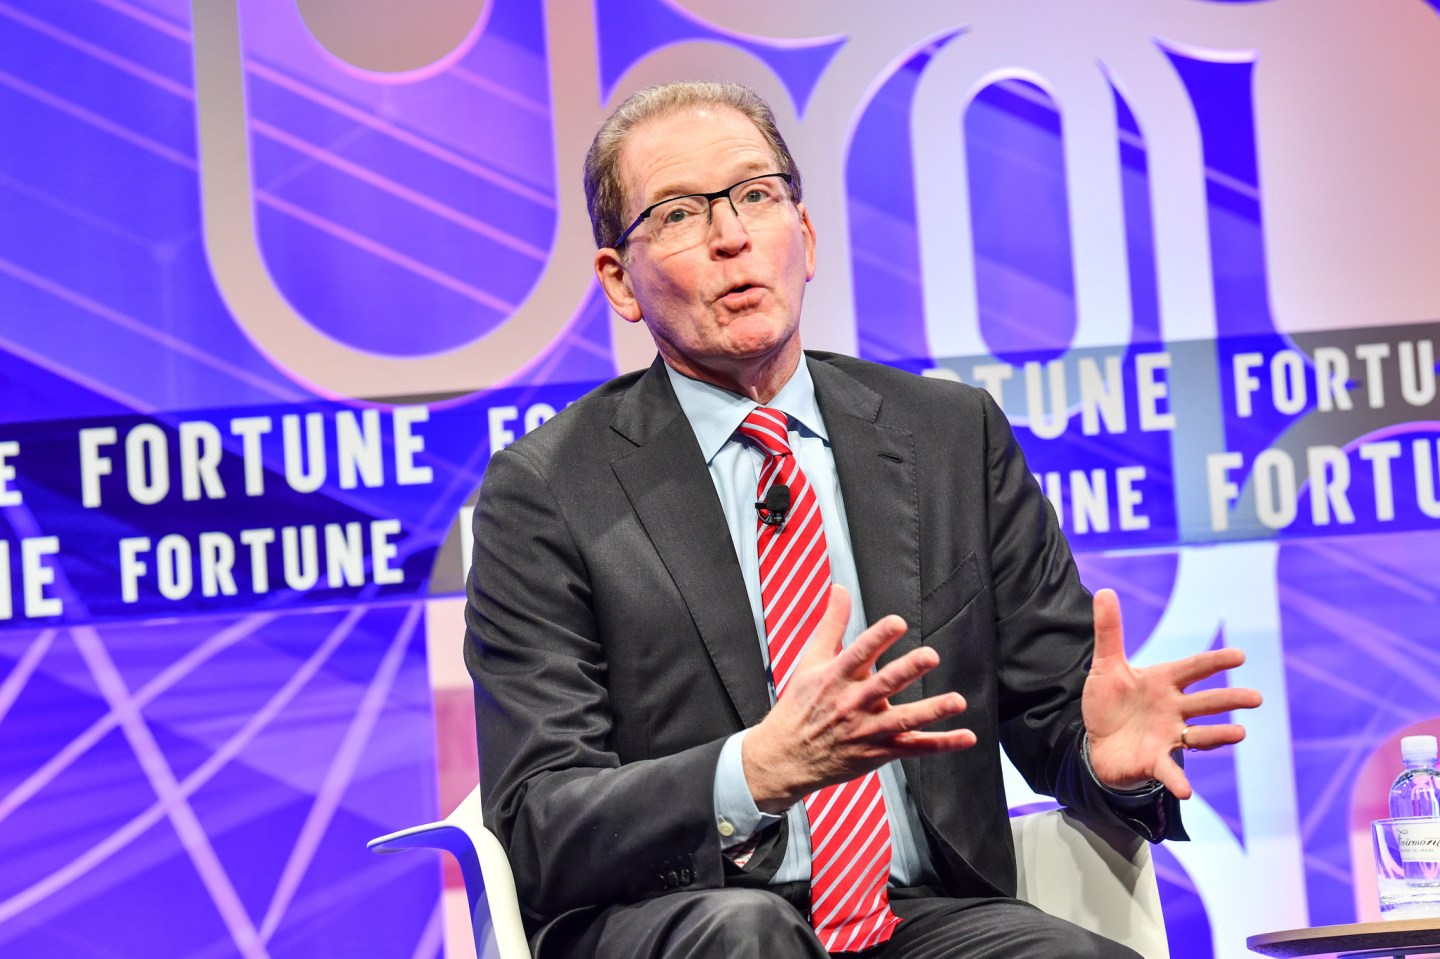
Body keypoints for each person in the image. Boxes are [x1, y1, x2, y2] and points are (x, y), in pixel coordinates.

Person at [464, 80, 1261, 958]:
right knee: (750, 934)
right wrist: (753, 772)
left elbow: (1055, 714)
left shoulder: (950, 436)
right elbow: (539, 818)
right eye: (682, 213)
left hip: (914, 914)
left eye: (756, 195)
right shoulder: (546, 489)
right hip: (684, 917)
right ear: (619, 280)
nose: (732, 236)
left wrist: (1104, 759)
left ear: (803, 238)